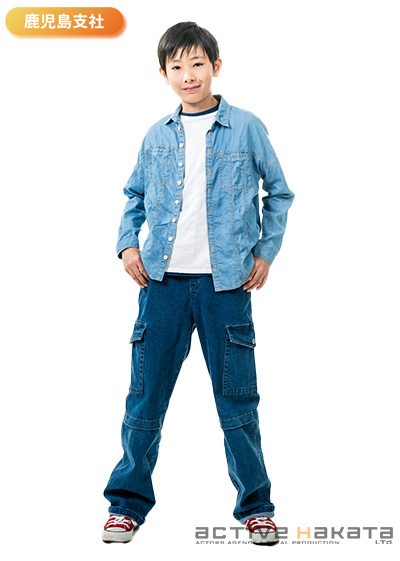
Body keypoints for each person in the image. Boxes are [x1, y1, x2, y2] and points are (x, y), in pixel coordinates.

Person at [102, 21, 294, 545]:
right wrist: (127, 245)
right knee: (145, 399)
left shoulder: (247, 127)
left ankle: (256, 507)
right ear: (163, 73)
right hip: (162, 283)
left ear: (216, 66)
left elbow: (279, 192)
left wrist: (265, 252)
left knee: (238, 401)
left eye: (197, 64)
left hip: (225, 286)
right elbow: (134, 196)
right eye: (177, 67)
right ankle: (126, 505)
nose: (188, 75)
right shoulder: (156, 134)